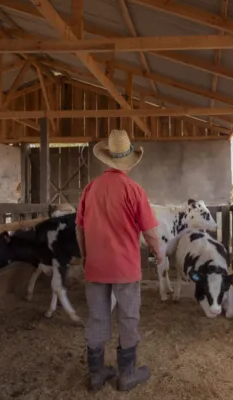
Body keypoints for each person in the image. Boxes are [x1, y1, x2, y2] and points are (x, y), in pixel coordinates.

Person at [75, 129, 163, 392]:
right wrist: (158, 252)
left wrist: (84, 256)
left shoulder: (90, 189)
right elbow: (149, 232)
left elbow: (79, 227)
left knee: (98, 317)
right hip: (125, 267)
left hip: (96, 266)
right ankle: (126, 374)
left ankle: (97, 373)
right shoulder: (134, 190)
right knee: (128, 317)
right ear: (128, 161)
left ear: (107, 159)